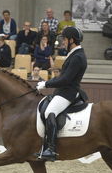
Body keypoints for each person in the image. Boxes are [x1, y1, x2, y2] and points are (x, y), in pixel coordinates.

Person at [35, 27, 87, 161]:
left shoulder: (78, 57)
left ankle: (51, 149)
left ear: (72, 40)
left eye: (64, 39)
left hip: (68, 92)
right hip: (63, 91)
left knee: (49, 112)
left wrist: (46, 84)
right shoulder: (74, 54)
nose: (62, 41)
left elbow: (66, 79)